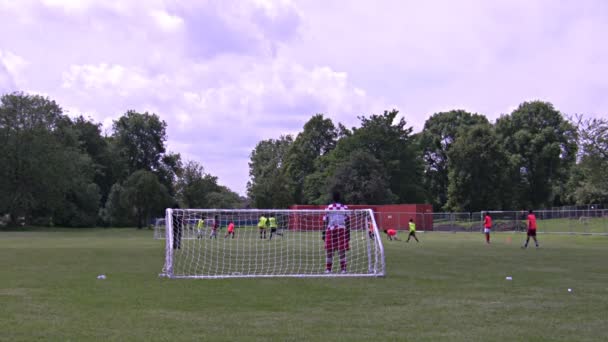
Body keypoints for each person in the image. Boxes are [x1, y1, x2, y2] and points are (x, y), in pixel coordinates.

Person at [322, 191, 350, 274]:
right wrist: (348, 233)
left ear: (332, 198)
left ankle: (328, 269)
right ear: (340, 198)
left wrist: (323, 233)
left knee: (329, 250)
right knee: (342, 250)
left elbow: (325, 221)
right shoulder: (344, 207)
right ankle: (343, 269)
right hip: (342, 229)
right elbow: (348, 221)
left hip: (330, 229)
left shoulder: (328, 207)